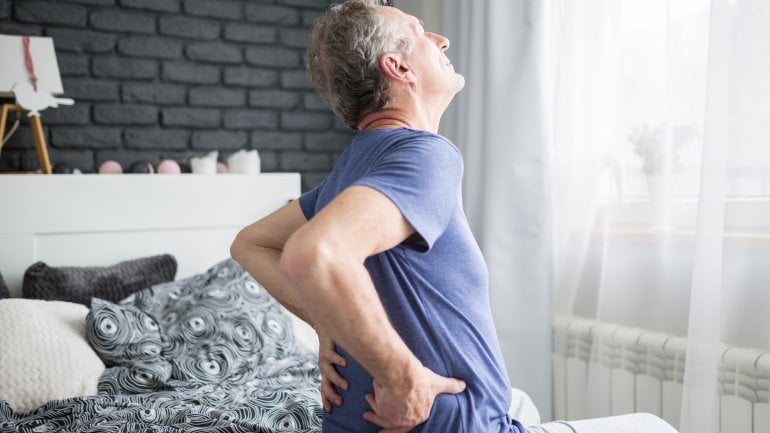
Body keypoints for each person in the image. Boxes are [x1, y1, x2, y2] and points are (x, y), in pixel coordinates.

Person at [231, 2, 680, 433]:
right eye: (419, 32)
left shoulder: (351, 169)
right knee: (655, 426)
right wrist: (405, 379)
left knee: (520, 399)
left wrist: (325, 320)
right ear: (399, 68)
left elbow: (250, 242)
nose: (441, 40)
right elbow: (316, 254)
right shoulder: (425, 154)